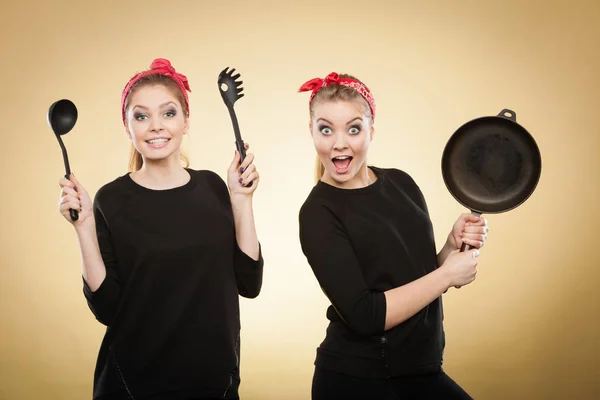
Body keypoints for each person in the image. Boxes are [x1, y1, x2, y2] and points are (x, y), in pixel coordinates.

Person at [57, 58, 263, 400]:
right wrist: (85, 227)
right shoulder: (110, 199)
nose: (155, 126)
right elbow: (107, 309)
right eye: (141, 116)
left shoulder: (214, 187)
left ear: (185, 121)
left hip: (213, 380)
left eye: (168, 113)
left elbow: (249, 283)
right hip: (133, 384)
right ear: (127, 127)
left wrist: (242, 200)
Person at [297, 72, 489, 400]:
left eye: (353, 128)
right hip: (358, 381)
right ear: (312, 132)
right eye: (325, 129)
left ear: (372, 130)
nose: (339, 143)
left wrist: (449, 247)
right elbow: (365, 316)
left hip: (420, 372)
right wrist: (446, 275)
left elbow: (418, 276)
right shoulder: (318, 213)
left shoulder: (402, 183)